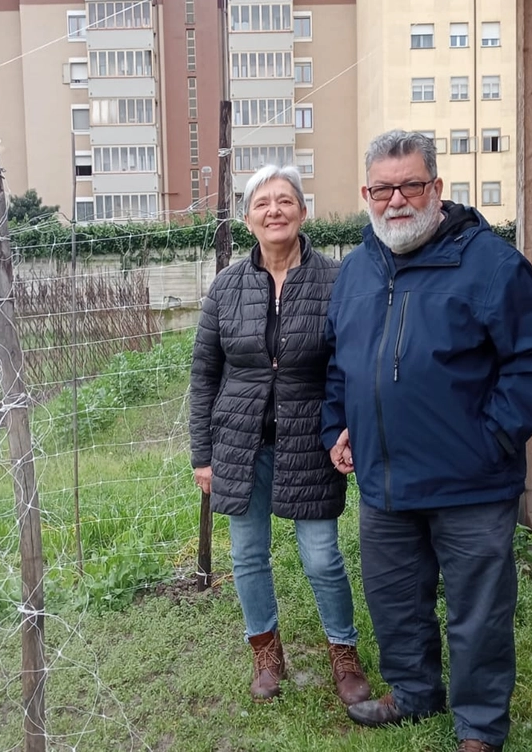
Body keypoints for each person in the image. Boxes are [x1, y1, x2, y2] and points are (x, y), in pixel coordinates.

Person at [321, 130, 532, 752]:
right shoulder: (355, 270)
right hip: (385, 480)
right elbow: (338, 366)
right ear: (365, 194)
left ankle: (480, 728)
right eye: (382, 188)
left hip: (471, 482)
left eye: (410, 185)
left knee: (478, 613)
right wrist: (337, 427)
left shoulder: (489, 264)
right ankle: (413, 691)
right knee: (395, 599)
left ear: (436, 188)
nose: (396, 200)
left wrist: (491, 438)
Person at [189, 164, 371, 706]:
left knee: (321, 557)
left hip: (309, 440)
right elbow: (204, 376)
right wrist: (203, 455)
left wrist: (348, 429)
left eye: (285, 200)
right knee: (247, 555)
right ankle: (267, 655)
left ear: (302, 211)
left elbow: (353, 364)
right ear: (248, 220)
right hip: (239, 444)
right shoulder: (226, 288)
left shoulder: (337, 280)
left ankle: (343, 652)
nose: (275, 210)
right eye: (263, 203)